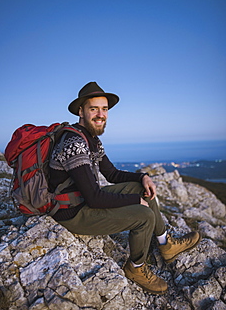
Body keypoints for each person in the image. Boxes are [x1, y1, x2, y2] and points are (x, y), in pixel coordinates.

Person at [49, 82, 201, 294]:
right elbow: (94, 198)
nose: (101, 114)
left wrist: (143, 177)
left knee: (140, 189)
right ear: (81, 112)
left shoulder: (90, 139)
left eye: (104, 109)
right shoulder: (74, 142)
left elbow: (111, 174)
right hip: (72, 213)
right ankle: (135, 268)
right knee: (144, 215)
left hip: (83, 200)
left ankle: (166, 245)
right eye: (94, 109)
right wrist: (135, 202)